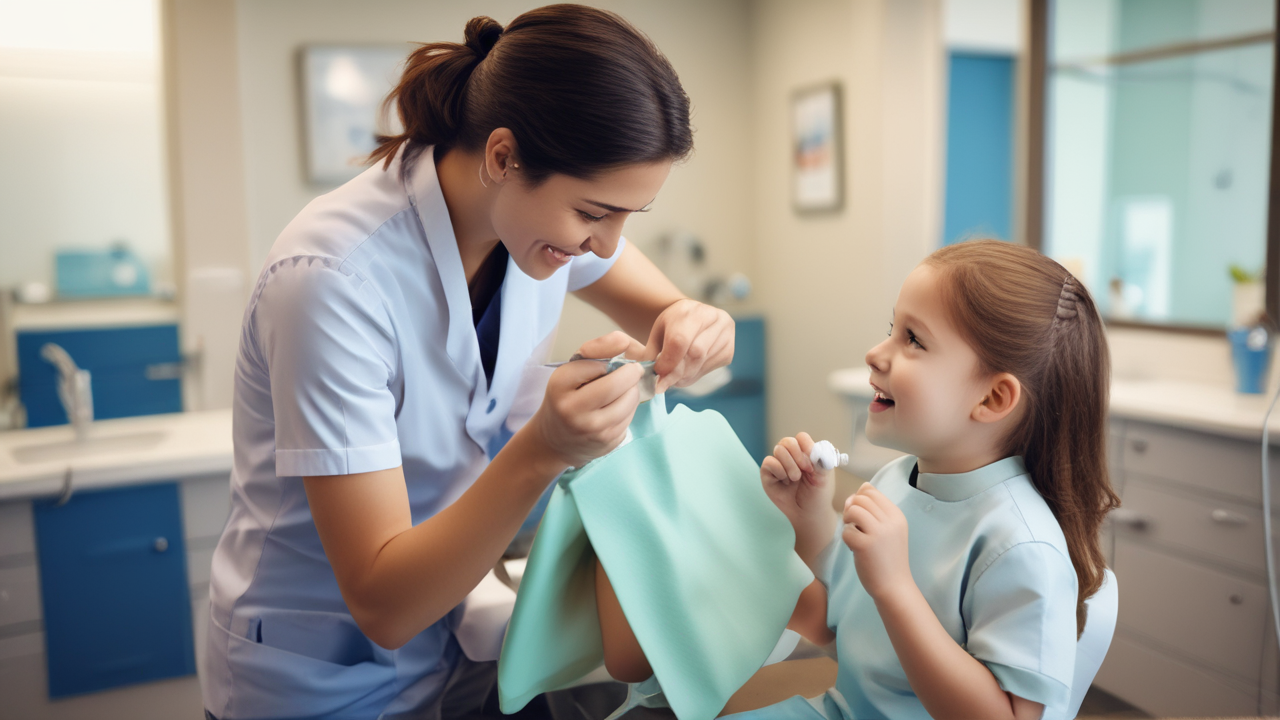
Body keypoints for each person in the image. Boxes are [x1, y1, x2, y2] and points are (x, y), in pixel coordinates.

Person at [201, 6, 734, 719]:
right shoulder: (330, 281)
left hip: (455, 642)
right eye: (594, 214)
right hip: (319, 674)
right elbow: (383, 603)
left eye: (626, 219)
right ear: (503, 156)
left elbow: (663, 311)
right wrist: (546, 447)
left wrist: (696, 323)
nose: (605, 247)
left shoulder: (534, 222)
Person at [749, 240, 1119, 719]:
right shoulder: (898, 480)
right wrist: (808, 521)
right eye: (892, 329)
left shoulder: (1021, 548)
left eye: (914, 340)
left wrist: (897, 588)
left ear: (992, 398)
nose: (875, 354)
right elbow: (836, 629)